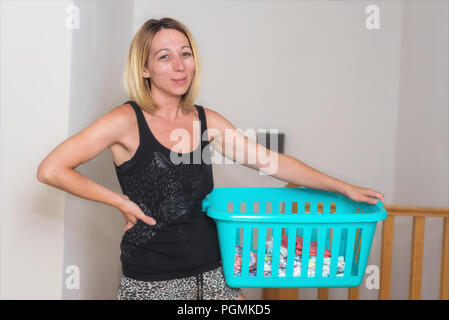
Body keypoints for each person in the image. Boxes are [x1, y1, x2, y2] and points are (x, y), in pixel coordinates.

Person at [37, 17, 385, 300]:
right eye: (164, 56)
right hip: (152, 283)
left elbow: (272, 163)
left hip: (217, 278)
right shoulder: (125, 121)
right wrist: (119, 202)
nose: (179, 65)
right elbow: (51, 169)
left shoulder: (207, 121)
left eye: (185, 53)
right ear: (144, 69)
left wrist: (343, 187)